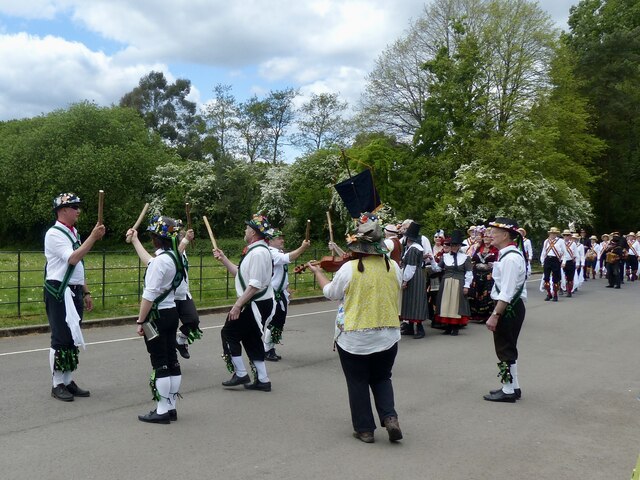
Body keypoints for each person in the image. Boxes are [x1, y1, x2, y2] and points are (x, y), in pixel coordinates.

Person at [308, 213, 403, 444]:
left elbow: (331, 293)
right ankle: (390, 417)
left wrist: (319, 273)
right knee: (382, 378)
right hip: (388, 333)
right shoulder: (393, 267)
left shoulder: (349, 269)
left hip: (355, 337)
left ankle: (365, 429)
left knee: (358, 382)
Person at [45, 192, 105, 402]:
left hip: (74, 289)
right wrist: (93, 238)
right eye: (74, 207)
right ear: (62, 211)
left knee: (72, 337)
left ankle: (68, 380)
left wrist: (86, 291)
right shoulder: (54, 234)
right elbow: (73, 258)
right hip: (59, 290)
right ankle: (57, 384)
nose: (78, 211)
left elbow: (78, 265)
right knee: (61, 338)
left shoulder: (72, 232)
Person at [129, 216, 185, 424]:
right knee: (172, 359)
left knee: (159, 361)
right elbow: (152, 262)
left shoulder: (160, 262)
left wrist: (140, 321)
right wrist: (135, 241)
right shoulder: (175, 258)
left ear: (155, 238)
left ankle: (161, 410)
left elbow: (149, 295)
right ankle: (171, 407)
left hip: (156, 317)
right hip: (171, 313)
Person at [214, 214, 275, 392]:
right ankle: (263, 380)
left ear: (254, 233)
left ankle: (240, 373)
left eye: (248, 227)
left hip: (253, 303)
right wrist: (224, 259)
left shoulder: (258, 253)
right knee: (251, 338)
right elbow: (241, 274)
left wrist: (237, 305)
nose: (245, 230)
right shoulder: (256, 251)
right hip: (257, 302)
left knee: (228, 333)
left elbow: (254, 285)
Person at [483, 217, 527, 403]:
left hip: (508, 308)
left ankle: (508, 390)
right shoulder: (509, 256)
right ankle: (513, 386)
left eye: (493, 232)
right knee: (507, 346)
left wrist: (495, 315)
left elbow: (507, 292)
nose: (489, 235)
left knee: (504, 348)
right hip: (511, 307)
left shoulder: (510, 259)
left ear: (506, 235)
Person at [263, 228, 310, 361]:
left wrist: (286, 287)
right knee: (274, 321)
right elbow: (288, 258)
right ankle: (266, 349)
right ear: (270, 241)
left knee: (279, 321)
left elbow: (281, 273)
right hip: (272, 294)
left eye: (282, 238)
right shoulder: (271, 253)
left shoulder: (277, 252)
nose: (282, 240)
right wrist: (303, 248)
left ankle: (270, 348)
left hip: (280, 292)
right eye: (279, 238)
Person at [429, 229, 473, 336]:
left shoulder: (465, 258)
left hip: (459, 282)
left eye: (456, 245)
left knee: (456, 304)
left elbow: (469, 273)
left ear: (459, 246)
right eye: (452, 245)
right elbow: (437, 269)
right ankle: (447, 326)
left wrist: (467, 285)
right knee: (446, 304)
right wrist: (431, 260)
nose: (453, 247)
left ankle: (455, 327)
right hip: (446, 282)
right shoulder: (445, 256)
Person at [174, 228, 203, 359]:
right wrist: (186, 239)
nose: (182, 237)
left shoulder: (183, 252)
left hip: (184, 294)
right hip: (170, 297)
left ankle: (180, 342)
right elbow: (176, 256)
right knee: (168, 329)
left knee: (193, 320)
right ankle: (169, 361)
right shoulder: (170, 252)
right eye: (180, 236)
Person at [399, 221, 429, 339]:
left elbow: (410, 267)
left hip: (414, 277)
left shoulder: (412, 249)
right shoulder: (416, 248)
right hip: (418, 276)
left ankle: (419, 329)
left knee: (415, 301)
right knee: (412, 301)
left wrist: (405, 280)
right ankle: (411, 327)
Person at [468, 231, 499, 323]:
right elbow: (473, 258)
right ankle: (475, 314)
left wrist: (493, 264)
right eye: (484, 237)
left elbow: (498, 260)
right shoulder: (478, 248)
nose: (486, 239)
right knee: (476, 292)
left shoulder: (495, 249)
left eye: (488, 237)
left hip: (488, 275)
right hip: (477, 274)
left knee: (486, 294)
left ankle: (485, 315)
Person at [540, 227, 567, 302]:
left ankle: (555, 294)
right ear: (550, 234)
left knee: (556, 279)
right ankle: (549, 294)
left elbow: (565, 253)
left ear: (556, 234)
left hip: (556, 260)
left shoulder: (560, 241)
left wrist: (564, 262)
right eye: (552, 233)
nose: (553, 235)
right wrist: (542, 261)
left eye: (554, 233)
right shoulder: (546, 241)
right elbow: (543, 252)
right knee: (546, 278)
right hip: (547, 259)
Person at [562, 230, 578, 297]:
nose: (566, 237)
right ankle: (561, 288)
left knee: (570, 278)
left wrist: (577, 263)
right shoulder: (560, 243)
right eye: (565, 235)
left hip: (570, 262)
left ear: (570, 236)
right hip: (561, 262)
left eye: (568, 235)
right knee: (561, 276)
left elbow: (576, 254)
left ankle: (569, 291)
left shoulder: (573, 244)